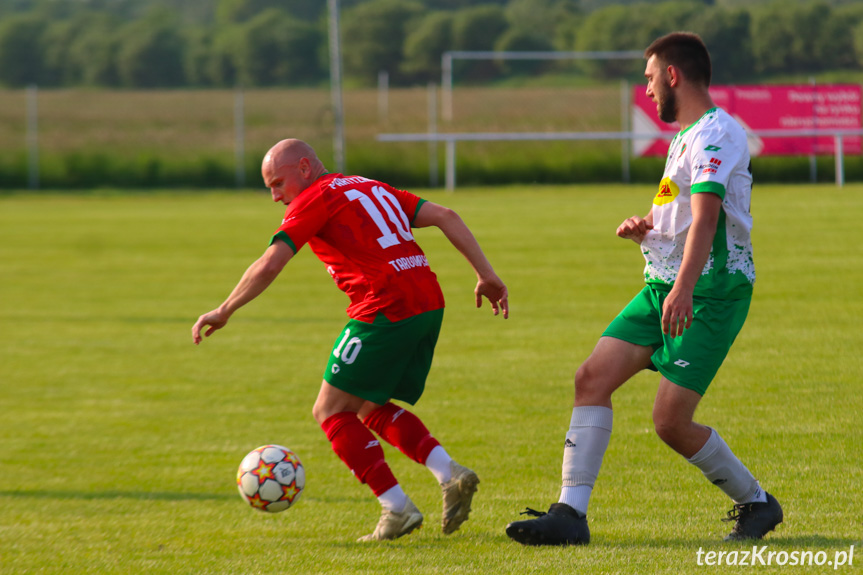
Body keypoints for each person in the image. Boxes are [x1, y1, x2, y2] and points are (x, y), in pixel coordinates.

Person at [505, 32, 782, 546]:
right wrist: (646, 225)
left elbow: (705, 220)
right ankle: (570, 514)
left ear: (673, 74)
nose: (648, 88)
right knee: (591, 378)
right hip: (664, 287)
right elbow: (675, 211)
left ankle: (757, 503)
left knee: (670, 422)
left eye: (651, 76)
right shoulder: (684, 135)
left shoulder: (717, 134)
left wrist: (684, 288)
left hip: (710, 292)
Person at [192, 139, 508, 542]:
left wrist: (225, 309)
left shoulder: (313, 197)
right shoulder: (369, 185)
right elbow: (446, 214)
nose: (275, 197)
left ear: (304, 168)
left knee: (330, 411)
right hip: (427, 302)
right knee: (369, 407)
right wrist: (486, 274)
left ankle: (396, 507)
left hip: (385, 306)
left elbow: (271, 261)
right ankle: (450, 474)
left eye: (277, 183)